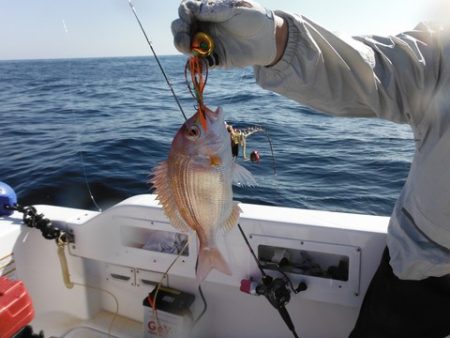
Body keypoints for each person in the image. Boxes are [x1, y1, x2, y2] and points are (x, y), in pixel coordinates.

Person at [171, 0, 450, 337]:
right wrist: (276, 41)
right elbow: (382, 68)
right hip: (425, 272)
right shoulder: (442, 53)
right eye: (193, 133)